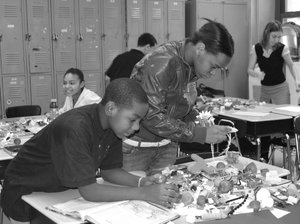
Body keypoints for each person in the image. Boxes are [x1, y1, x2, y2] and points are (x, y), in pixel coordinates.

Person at [1, 78, 180, 224]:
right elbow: (89, 191)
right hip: (25, 196)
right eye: (133, 119)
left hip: (57, 191)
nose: (136, 127)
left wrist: (142, 182)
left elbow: (110, 171)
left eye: (139, 121)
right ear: (111, 108)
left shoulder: (113, 127)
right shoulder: (75, 128)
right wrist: (144, 194)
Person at [122, 19, 235, 175]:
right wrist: (198, 134)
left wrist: (204, 124)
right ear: (200, 48)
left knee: (164, 195)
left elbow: (180, 107)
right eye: (214, 66)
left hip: (167, 145)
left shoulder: (191, 66)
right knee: (133, 197)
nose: (213, 73)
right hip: (139, 148)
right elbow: (150, 115)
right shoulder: (163, 62)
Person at [248, 20, 300, 104]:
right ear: (266, 33)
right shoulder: (256, 48)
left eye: (279, 37)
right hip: (264, 90)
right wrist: (257, 74)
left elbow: (291, 65)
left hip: (281, 90)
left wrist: (296, 80)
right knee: (265, 115)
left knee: (282, 115)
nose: (276, 40)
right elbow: (249, 70)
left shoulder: (282, 48)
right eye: (274, 36)